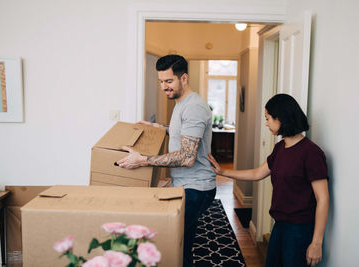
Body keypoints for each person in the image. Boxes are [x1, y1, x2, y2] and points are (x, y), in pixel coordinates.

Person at [116, 54, 216, 267]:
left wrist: (143, 160)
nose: (164, 87)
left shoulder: (194, 107)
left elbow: (188, 157)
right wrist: (159, 129)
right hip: (186, 186)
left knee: (170, 244)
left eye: (169, 81)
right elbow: (184, 134)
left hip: (196, 189)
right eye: (161, 81)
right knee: (181, 245)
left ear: (184, 78)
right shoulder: (182, 103)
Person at [208, 94, 329, 267]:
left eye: (268, 118)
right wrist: (223, 171)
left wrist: (316, 242)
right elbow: (257, 173)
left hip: (300, 230)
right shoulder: (280, 148)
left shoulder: (311, 153)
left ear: (281, 118)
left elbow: (323, 199)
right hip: (279, 225)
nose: (266, 123)